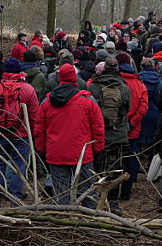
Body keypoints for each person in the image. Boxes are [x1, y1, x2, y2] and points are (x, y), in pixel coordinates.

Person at [34, 64, 105, 207]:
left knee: (61, 193)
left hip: (56, 153)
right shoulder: (88, 101)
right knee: (88, 191)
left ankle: (64, 221)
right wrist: (98, 149)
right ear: (75, 79)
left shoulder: (47, 102)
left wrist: (42, 151)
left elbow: (39, 130)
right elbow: (98, 128)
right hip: (83, 153)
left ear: (59, 78)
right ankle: (91, 220)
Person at [0, 58, 40, 203]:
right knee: (19, 165)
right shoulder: (28, 89)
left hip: (0, 133)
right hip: (21, 135)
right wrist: (32, 134)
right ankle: (15, 196)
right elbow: (34, 115)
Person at [88, 56, 131, 213]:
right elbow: (127, 109)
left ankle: (96, 201)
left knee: (96, 169)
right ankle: (113, 203)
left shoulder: (93, 87)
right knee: (116, 170)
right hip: (119, 135)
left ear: (104, 68)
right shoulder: (124, 88)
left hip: (98, 135)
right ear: (117, 69)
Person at [117, 53, 148, 201]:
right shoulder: (139, 84)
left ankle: (113, 192)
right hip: (133, 130)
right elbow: (143, 107)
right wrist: (132, 123)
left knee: (115, 160)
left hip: (116, 130)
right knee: (131, 160)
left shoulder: (114, 82)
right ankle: (126, 193)